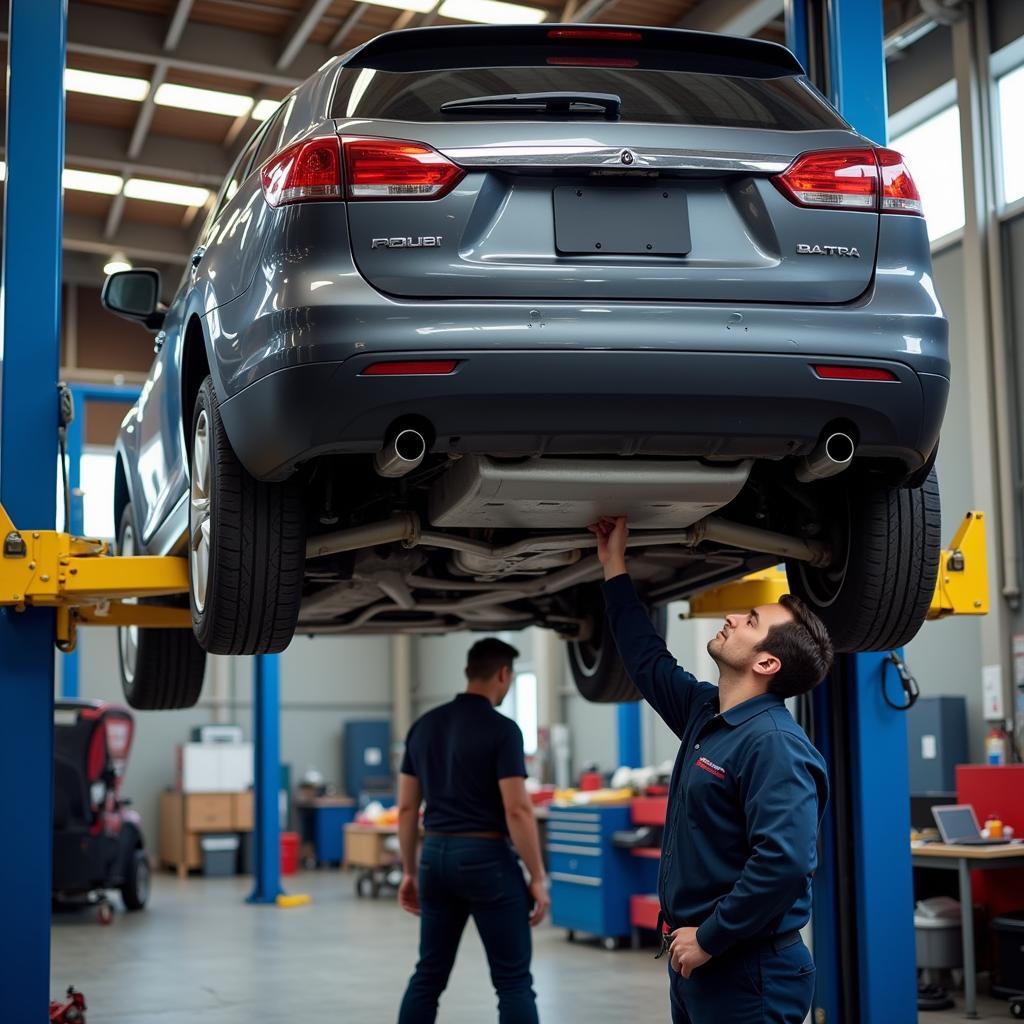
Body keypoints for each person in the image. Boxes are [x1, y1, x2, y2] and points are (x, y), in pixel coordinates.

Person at [590, 515, 833, 1024]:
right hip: (698, 959)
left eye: (750, 621)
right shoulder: (708, 715)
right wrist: (613, 565)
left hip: (749, 969)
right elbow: (647, 659)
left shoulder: (775, 746)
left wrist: (709, 936)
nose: (733, 620)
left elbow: (784, 864)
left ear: (766, 664)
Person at [396, 637, 549, 1024]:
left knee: (428, 976)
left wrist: (411, 871)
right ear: (503, 674)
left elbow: (406, 807)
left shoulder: (423, 726)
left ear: (468, 672)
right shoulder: (503, 730)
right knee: (513, 982)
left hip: (435, 859)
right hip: (486, 862)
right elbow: (517, 809)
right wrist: (537, 877)